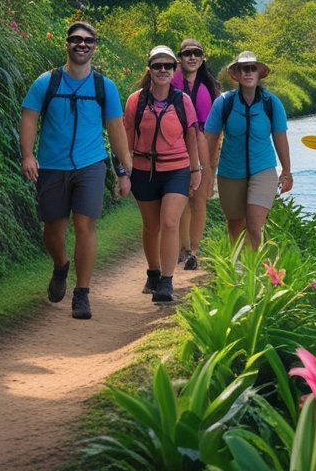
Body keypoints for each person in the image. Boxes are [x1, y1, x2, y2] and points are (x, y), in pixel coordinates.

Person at [19, 21, 131, 320]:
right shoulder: (47, 82)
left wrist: (124, 171)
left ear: (95, 46)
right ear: (66, 43)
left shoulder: (103, 86)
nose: (82, 45)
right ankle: (61, 265)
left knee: (85, 227)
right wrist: (28, 155)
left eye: (88, 41)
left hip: (91, 165)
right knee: (52, 230)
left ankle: (82, 293)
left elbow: (117, 130)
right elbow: (29, 117)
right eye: (76, 39)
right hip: (52, 165)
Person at [125, 45, 201, 303]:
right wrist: (123, 171)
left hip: (176, 170)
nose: (163, 70)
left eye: (168, 66)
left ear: (174, 70)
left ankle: (167, 282)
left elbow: (192, 136)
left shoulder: (182, 100)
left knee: (170, 222)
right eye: (157, 66)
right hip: (143, 171)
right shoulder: (136, 100)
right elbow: (126, 137)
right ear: (150, 70)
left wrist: (196, 169)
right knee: (151, 226)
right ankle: (153, 272)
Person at [205, 51, 293, 249]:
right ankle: (237, 270)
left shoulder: (271, 103)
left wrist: (286, 172)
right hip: (230, 171)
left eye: (253, 68)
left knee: (254, 224)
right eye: (244, 68)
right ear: (236, 74)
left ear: (259, 73)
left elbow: (280, 139)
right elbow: (209, 139)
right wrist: (208, 171)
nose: (248, 72)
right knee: (235, 225)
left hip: (263, 170)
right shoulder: (224, 103)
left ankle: (252, 272)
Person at [172, 37, 219, 271]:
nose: (192, 57)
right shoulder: (169, 80)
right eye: (187, 53)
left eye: (196, 53)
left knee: (199, 200)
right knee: (181, 200)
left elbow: (215, 129)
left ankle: (193, 250)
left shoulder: (210, 88)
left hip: (202, 148)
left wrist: (212, 160)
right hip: (174, 146)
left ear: (203, 58)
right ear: (179, 58)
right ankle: (181, 247)